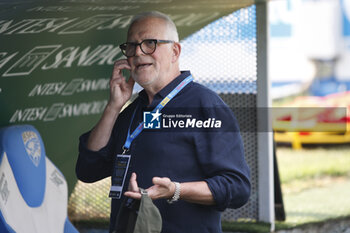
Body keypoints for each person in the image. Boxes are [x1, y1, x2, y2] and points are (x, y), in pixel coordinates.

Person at [76, 11, 251, 233]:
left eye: (150, 43)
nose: (138, 53)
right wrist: (114, 106)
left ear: (175, 51)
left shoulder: (203, 105)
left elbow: (237, 188)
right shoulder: (131, 112)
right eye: (132, 46)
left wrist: (176, 190)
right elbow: (87, 169)